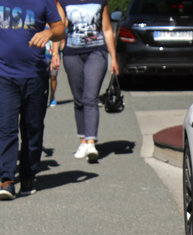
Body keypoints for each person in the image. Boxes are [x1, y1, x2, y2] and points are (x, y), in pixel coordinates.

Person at [0, 0, 65, 200]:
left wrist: (49, 33)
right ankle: (7, 180)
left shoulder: (43, 1)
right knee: (6, 127)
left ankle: (28, 175)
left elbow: (61, 29)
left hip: (35, 76)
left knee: (32, 128)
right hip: (4, 75)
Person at [56, 0, 119, 162]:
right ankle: (83, 141)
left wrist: (113, 57)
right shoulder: (64, 2)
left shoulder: (99, 1)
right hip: (72, 53)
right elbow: (59, 28)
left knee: (90, 97)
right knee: (78, 99)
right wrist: (55, 53)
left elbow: (106, 29)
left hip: (96, 52)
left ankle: (91, 143)